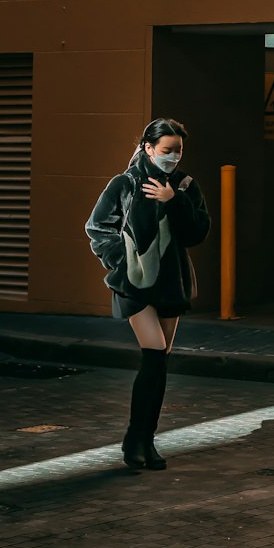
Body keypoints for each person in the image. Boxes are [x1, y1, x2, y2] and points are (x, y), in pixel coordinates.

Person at [85, 118, 210, 472]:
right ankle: (135, 438)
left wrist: (174, 201)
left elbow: (197, 232)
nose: (172, 157)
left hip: (171, 282)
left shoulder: (185, 185)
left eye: (178, 151)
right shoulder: (124, 183)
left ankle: (144, 440)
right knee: (154, 353)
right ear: (148, 147)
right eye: (166, 150)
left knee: (160, 360)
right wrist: (120, 261)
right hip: (134, 283)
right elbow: (97, 227)